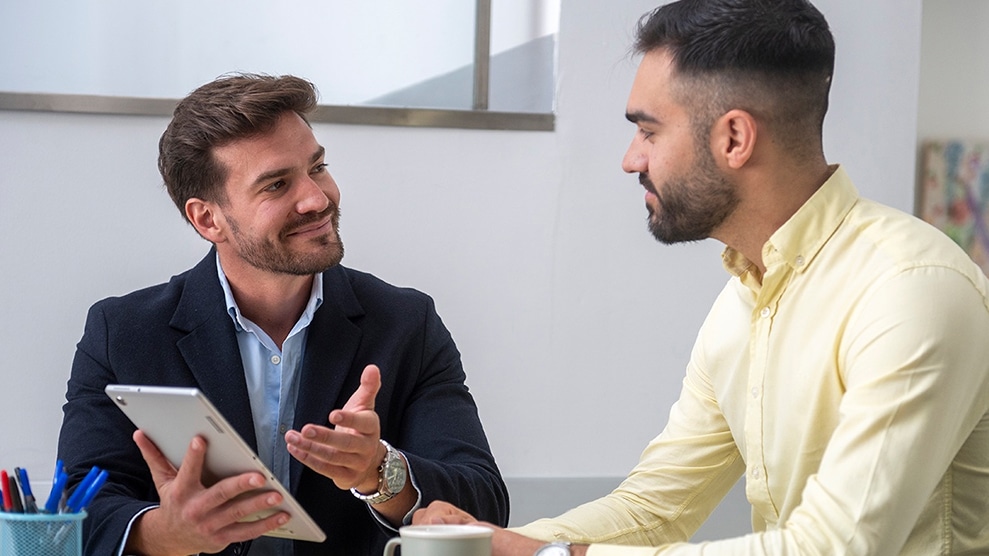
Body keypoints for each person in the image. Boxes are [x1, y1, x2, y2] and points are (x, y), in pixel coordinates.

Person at [413, 0, 989, 554]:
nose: (630, 159)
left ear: (734, 138)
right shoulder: (743, 300)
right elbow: (653, 508)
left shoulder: (912, 290)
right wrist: (492, 543)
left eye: (649, 131)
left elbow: (834, 548)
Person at [56, 73, 509, 556]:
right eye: (276, 184)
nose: (317, 198)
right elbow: (74, 514)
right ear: (208, 219)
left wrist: (380, 471)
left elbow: (483, 504)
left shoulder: (405, 323)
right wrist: (167, 532)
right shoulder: (123, 332)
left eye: (317, 167)